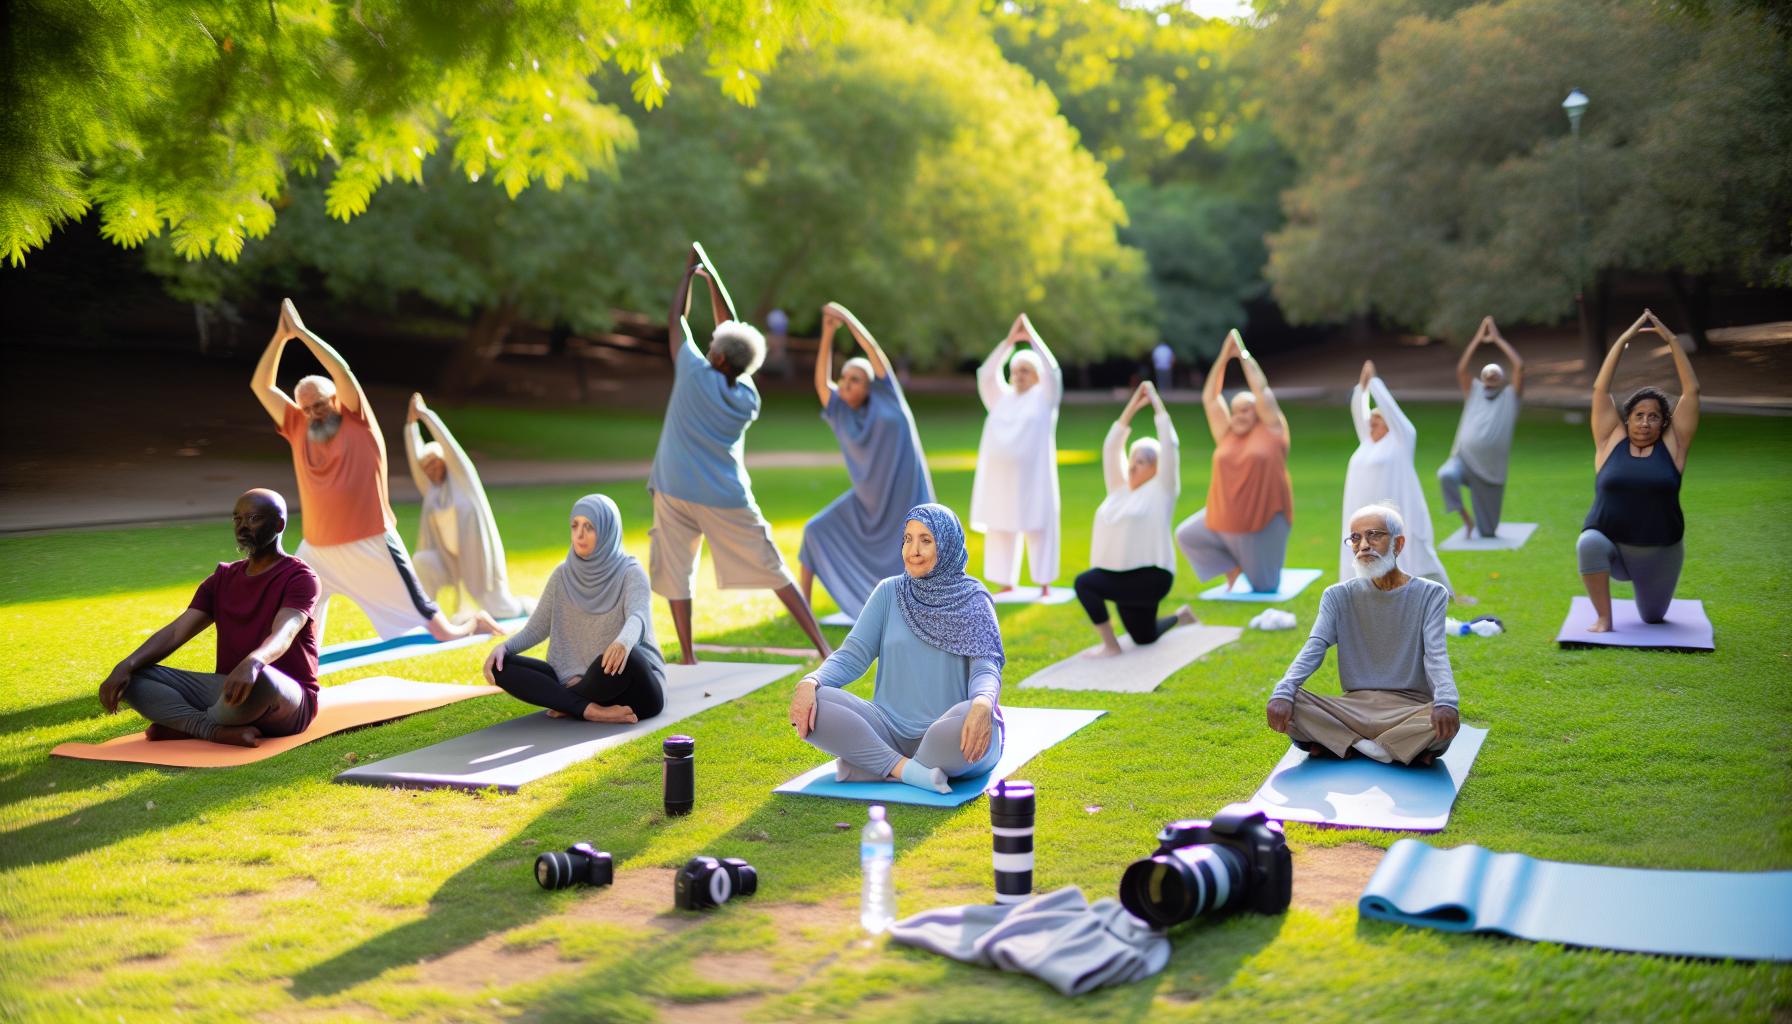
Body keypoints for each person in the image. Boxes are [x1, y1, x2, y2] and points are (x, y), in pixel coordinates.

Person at [250, 300, 503, 644]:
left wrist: (301, 333)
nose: (315, 413)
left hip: (370, 541)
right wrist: (280, 337)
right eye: (308, 408)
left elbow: (342, 371)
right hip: (317, 547)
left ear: (335, 399)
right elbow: (261, 387)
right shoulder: (298, 425)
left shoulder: (356, 418)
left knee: (442, 632)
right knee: (295, 616)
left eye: (321, 404)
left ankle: (477, 624)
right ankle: (304, 670)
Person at [647, 243, 831, 663]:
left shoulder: (692, 372)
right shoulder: (748, 395)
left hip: (674, 488)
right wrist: (712, 276)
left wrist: (688, 273)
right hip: (725, 496)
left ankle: (689, 655)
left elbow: (676, 320)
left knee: (678, 571)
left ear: (718, 355)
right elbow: (731, 328)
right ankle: (823, 646)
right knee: (772, 565)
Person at [788, 504, 1005, 794]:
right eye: (907, 539)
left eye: (926, 540)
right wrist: (810, 681)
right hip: (888, 729)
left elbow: (986, 667)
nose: (913, 550)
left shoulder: (973, 599)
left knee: (972, 716)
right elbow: (853, 655)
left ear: (948, 544)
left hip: (948, 733)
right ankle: (908, 770)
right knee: (818, 703)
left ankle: (873, 764)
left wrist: (983, 704)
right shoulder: (889, 592)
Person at [96, 490, 320, 748]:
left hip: (285, 700)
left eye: (253, 518)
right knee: (133, 677)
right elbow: (176, 632)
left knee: (263, 679)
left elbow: (286, 631)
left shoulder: (300, 577)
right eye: (237, 519)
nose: (242, 527)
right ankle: (211, 729)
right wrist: (126, 664)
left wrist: (254, 662)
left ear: (279, 524)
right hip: (229, 692)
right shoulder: (222, 579)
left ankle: (189, 725)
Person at [1265, 504, 1461, 767]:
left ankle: (1346, 742)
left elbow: (1436, 655)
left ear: (1398, 543)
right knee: (1292, 703)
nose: (1364, 545)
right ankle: (1383, 748)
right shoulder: (1337, 595)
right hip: (1352, 709)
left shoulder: (1431, 594)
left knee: (1443, 723)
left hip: (1408, 709)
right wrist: (1283, 692)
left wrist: (1447, 702)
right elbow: (1315, 647)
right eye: (1355, 538)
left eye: (1374, 535)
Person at [799, 302, 936, 621]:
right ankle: (802, 607)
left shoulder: (889, 397)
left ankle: (924, 605)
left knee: (920, 550)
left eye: (856, 379)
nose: (846, 383)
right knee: (815, 530)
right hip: (867, 504)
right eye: (844, 378)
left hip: (905, 497)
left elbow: (873, 351)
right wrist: (828, 334)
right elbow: (822, 383)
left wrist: (847, 319)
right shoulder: (840, 412)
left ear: (871, 384)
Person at [483, 495, 665, 723]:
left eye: (589, 527)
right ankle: (591, 710)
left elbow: (638, 616)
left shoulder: (631, 573)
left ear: (608, 531)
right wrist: (505, 647)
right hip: (577, 683)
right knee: (502, 666)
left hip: (632, 690)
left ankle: (568, 703)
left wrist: (623, 642)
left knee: (631, 658)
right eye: (575, 525)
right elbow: (537, 628)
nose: (579, 534)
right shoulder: (562, 575)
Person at [1578, 309, 1700, 632]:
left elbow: (1692, 392)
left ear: (1664, 423)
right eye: (1639, 415)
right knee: (1587, 543)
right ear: (1627, 419)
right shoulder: (1609, 441)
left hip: (1659, 552)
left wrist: (1671, 340)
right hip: (1611, 546)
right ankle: (1604, 618)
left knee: (1652, 618)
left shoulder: (1673, 447)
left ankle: (1652, 594)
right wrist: (1623, 341)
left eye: (1654, 416)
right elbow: (1600, 391)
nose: (1645, 422)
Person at [1075, 382, 1197, 657]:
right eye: (1132, 459)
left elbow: (1170, 444)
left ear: (1156, 468)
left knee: (1084, 583)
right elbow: (1111, 447)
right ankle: (1182, 616)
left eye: (1142, 461)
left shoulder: (1162, 491)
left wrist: (1156, 404)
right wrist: (1132, 406)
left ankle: (1110, 646)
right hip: (1120, 573)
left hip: (1151, 576)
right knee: (1144, 637)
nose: (1132, 465)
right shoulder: (1119, 490)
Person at [1175, 330, 1293, 594]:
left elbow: (1261, 390)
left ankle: (1247, 561)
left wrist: (1242, 355)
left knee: (1265, 587)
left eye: (1247, 409)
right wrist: (1223, 358)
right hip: (1222, 517)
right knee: (1187, 535)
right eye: (1236, 408)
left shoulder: (1272, 432)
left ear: (1260, 412)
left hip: (1261, 521)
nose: (1239, 414)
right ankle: (1231, 565)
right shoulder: (1226, 434)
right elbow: (1209, 398)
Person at [404, 393, 533, 620]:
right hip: (450, 562)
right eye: (427, 467)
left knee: (502, 611)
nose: (431, 470)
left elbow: (450, 447)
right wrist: (411, 426)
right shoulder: (433, 492)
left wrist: (426, 415)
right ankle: (428, 616)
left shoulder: (464, 483)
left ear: (445, 463)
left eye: (435, 464)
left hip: (478, 563)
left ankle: (527, 605)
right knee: (422, 561)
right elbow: (416, 462)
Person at [1341, 360, 1458, 597]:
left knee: (1408, 547)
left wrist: (1375, 384)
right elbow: (1358, 412)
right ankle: (1363, 591)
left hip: (1396, 508)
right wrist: (1361, 389)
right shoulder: (1366, 443)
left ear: (1390, 424)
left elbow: (1394, 414)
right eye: (1370, 421)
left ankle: (1421, 591)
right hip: (1362, 509)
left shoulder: (1401, 441)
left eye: (1378, 421)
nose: (1371, 424)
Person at [970, 314, 1063, 594]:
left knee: (1040, 525)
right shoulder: (1001, 398)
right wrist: (1009, 343)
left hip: (1034, 478)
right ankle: (1005, 582)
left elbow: (1053, 372)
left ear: (1036, 375)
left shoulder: (1044, 400)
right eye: (1016, 370)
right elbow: (986, 374)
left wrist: (1032, 339)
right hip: (1000, 480)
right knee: (1000, 527)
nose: (1019, 375)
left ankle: (1044, 583)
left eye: (1026, 371)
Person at [1437, 316, 1524, 538]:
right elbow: (1462, 369)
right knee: (1446, 475)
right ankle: (1466, 519)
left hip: (1490, 471)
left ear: (1501, 380)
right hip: (1464, 460)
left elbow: (1519, 366)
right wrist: (1477, 339)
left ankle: (1481, 525)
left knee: (1488, 532)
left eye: (1494, 377)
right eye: (1486, 376)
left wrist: (1497, 339)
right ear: (1482, 379)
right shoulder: (1474, 391)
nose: (1489, 380)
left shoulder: (1510, 397)